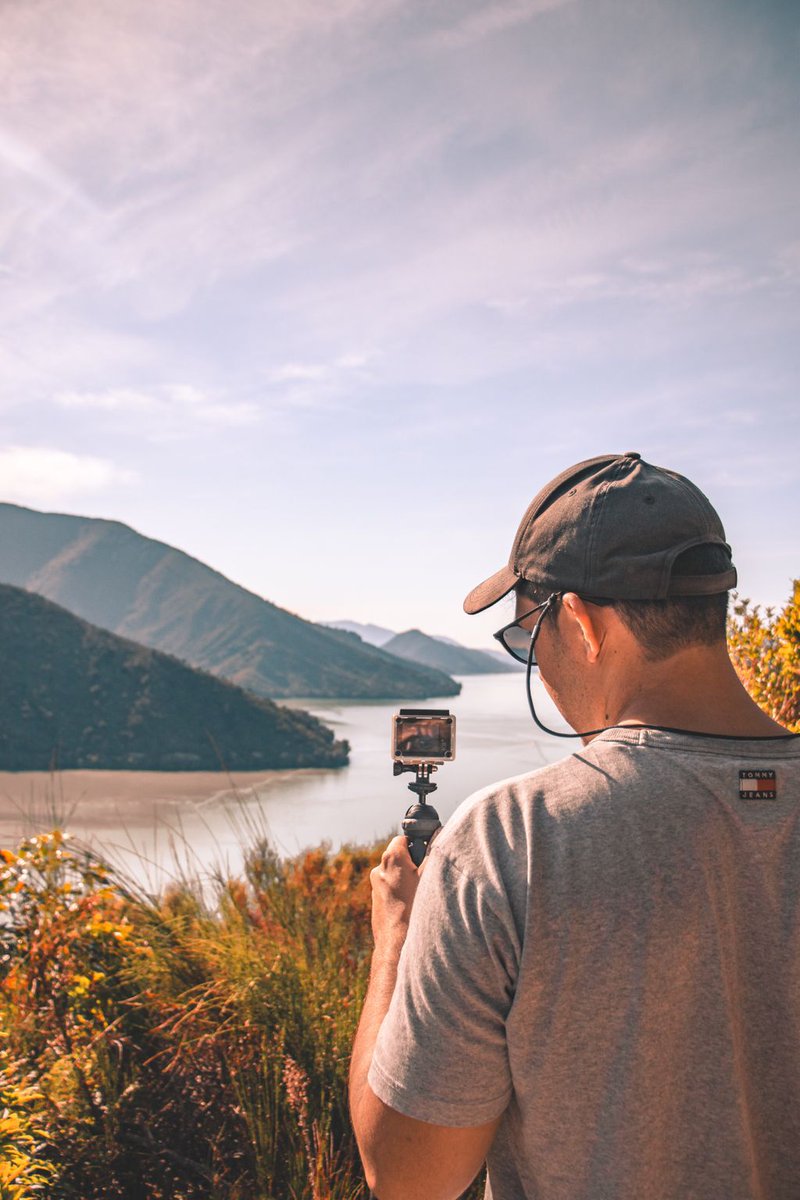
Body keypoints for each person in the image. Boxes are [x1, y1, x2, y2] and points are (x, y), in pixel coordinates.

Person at [349, 452, 800, 1200]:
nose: (538, 663)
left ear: (584, 624)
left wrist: (395, 937)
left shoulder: (511, 840)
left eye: (529, 634)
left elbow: (406, 1177)